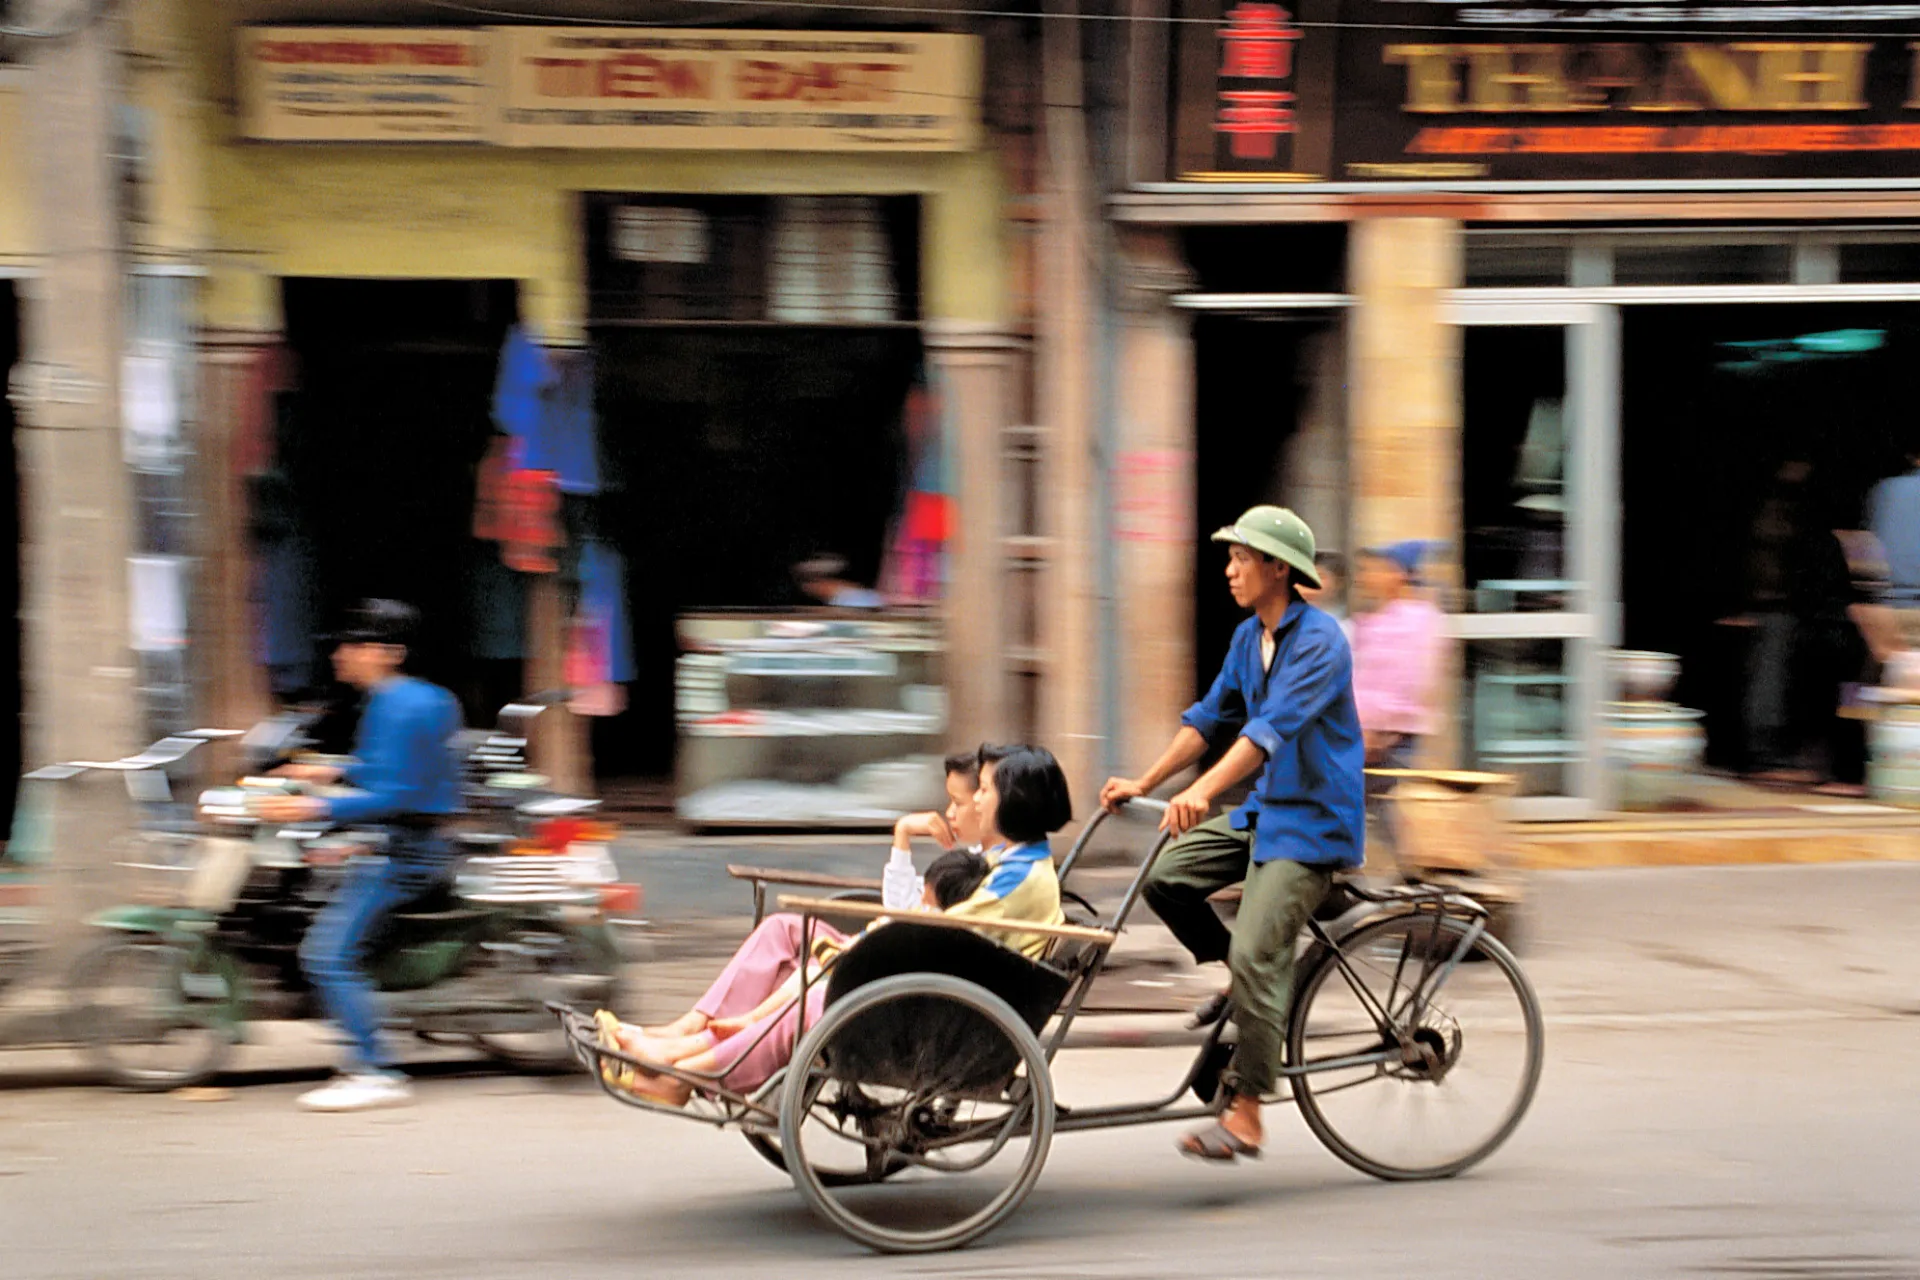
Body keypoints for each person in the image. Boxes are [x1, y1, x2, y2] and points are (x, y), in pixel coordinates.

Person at [1099, 505, 1364, 1164]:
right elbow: (1209, 718)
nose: (1229, 570)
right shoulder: (1249, 638)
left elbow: (1265, 731)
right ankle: (1237, 979)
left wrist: (1202, 791)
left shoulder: (1320, 642)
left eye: (1241, 558)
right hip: (1266, 811)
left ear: (1279, 568)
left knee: (1257, 953)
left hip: (1313, 823)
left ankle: (1246, 1112)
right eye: (1231, 558)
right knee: (1167, 878)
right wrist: (1148, 780)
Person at [599, 744, 1072, 1106]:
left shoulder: (1020, 878)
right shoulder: (1000, 858)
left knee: (814, 1001)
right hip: (929, 971)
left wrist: (854, 951)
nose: (975, 799)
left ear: (1013, 802)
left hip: (944, 997)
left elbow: (934, 932)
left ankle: (685, 1072)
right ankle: (683, 1033)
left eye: (985, 790)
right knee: (784, 931)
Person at [255, 600, 464, 1113]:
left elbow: (396, 794)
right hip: (400, 841)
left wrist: (311, 809)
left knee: (325, 955)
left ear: (389, 653)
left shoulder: (398, 704)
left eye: (354, 645)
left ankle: (375, 1070)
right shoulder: (410, 698)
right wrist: (322, 773)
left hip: (403, 851)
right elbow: (385, 771)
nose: (340, 655)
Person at [640, 748, 993, 1043]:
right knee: (779, 930)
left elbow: (907, 915)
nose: (948, 813)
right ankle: (696, 1022)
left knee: (803, 969)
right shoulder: (968, 857)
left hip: (895, 962)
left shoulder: (978, 870)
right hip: (886, 944)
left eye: (956, 802)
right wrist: (902, 834)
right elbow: (903, 908)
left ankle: (719, 1037)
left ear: (982, 803)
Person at [1350, 541, 1445, 772]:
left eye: (1376, 569)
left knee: (1385, 803)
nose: (1366, 577)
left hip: (1391, 741)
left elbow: (1412, 681)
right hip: (1362, 736)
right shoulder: (1374, 618)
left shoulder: (1418, 621)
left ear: (1398, 574)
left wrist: (1379, 732)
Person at [1297, 550, 1353, 642]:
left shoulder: (1347, 626)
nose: (1308, 584)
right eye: (1304, 576)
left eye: (1320, 576)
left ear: (1338, 583)